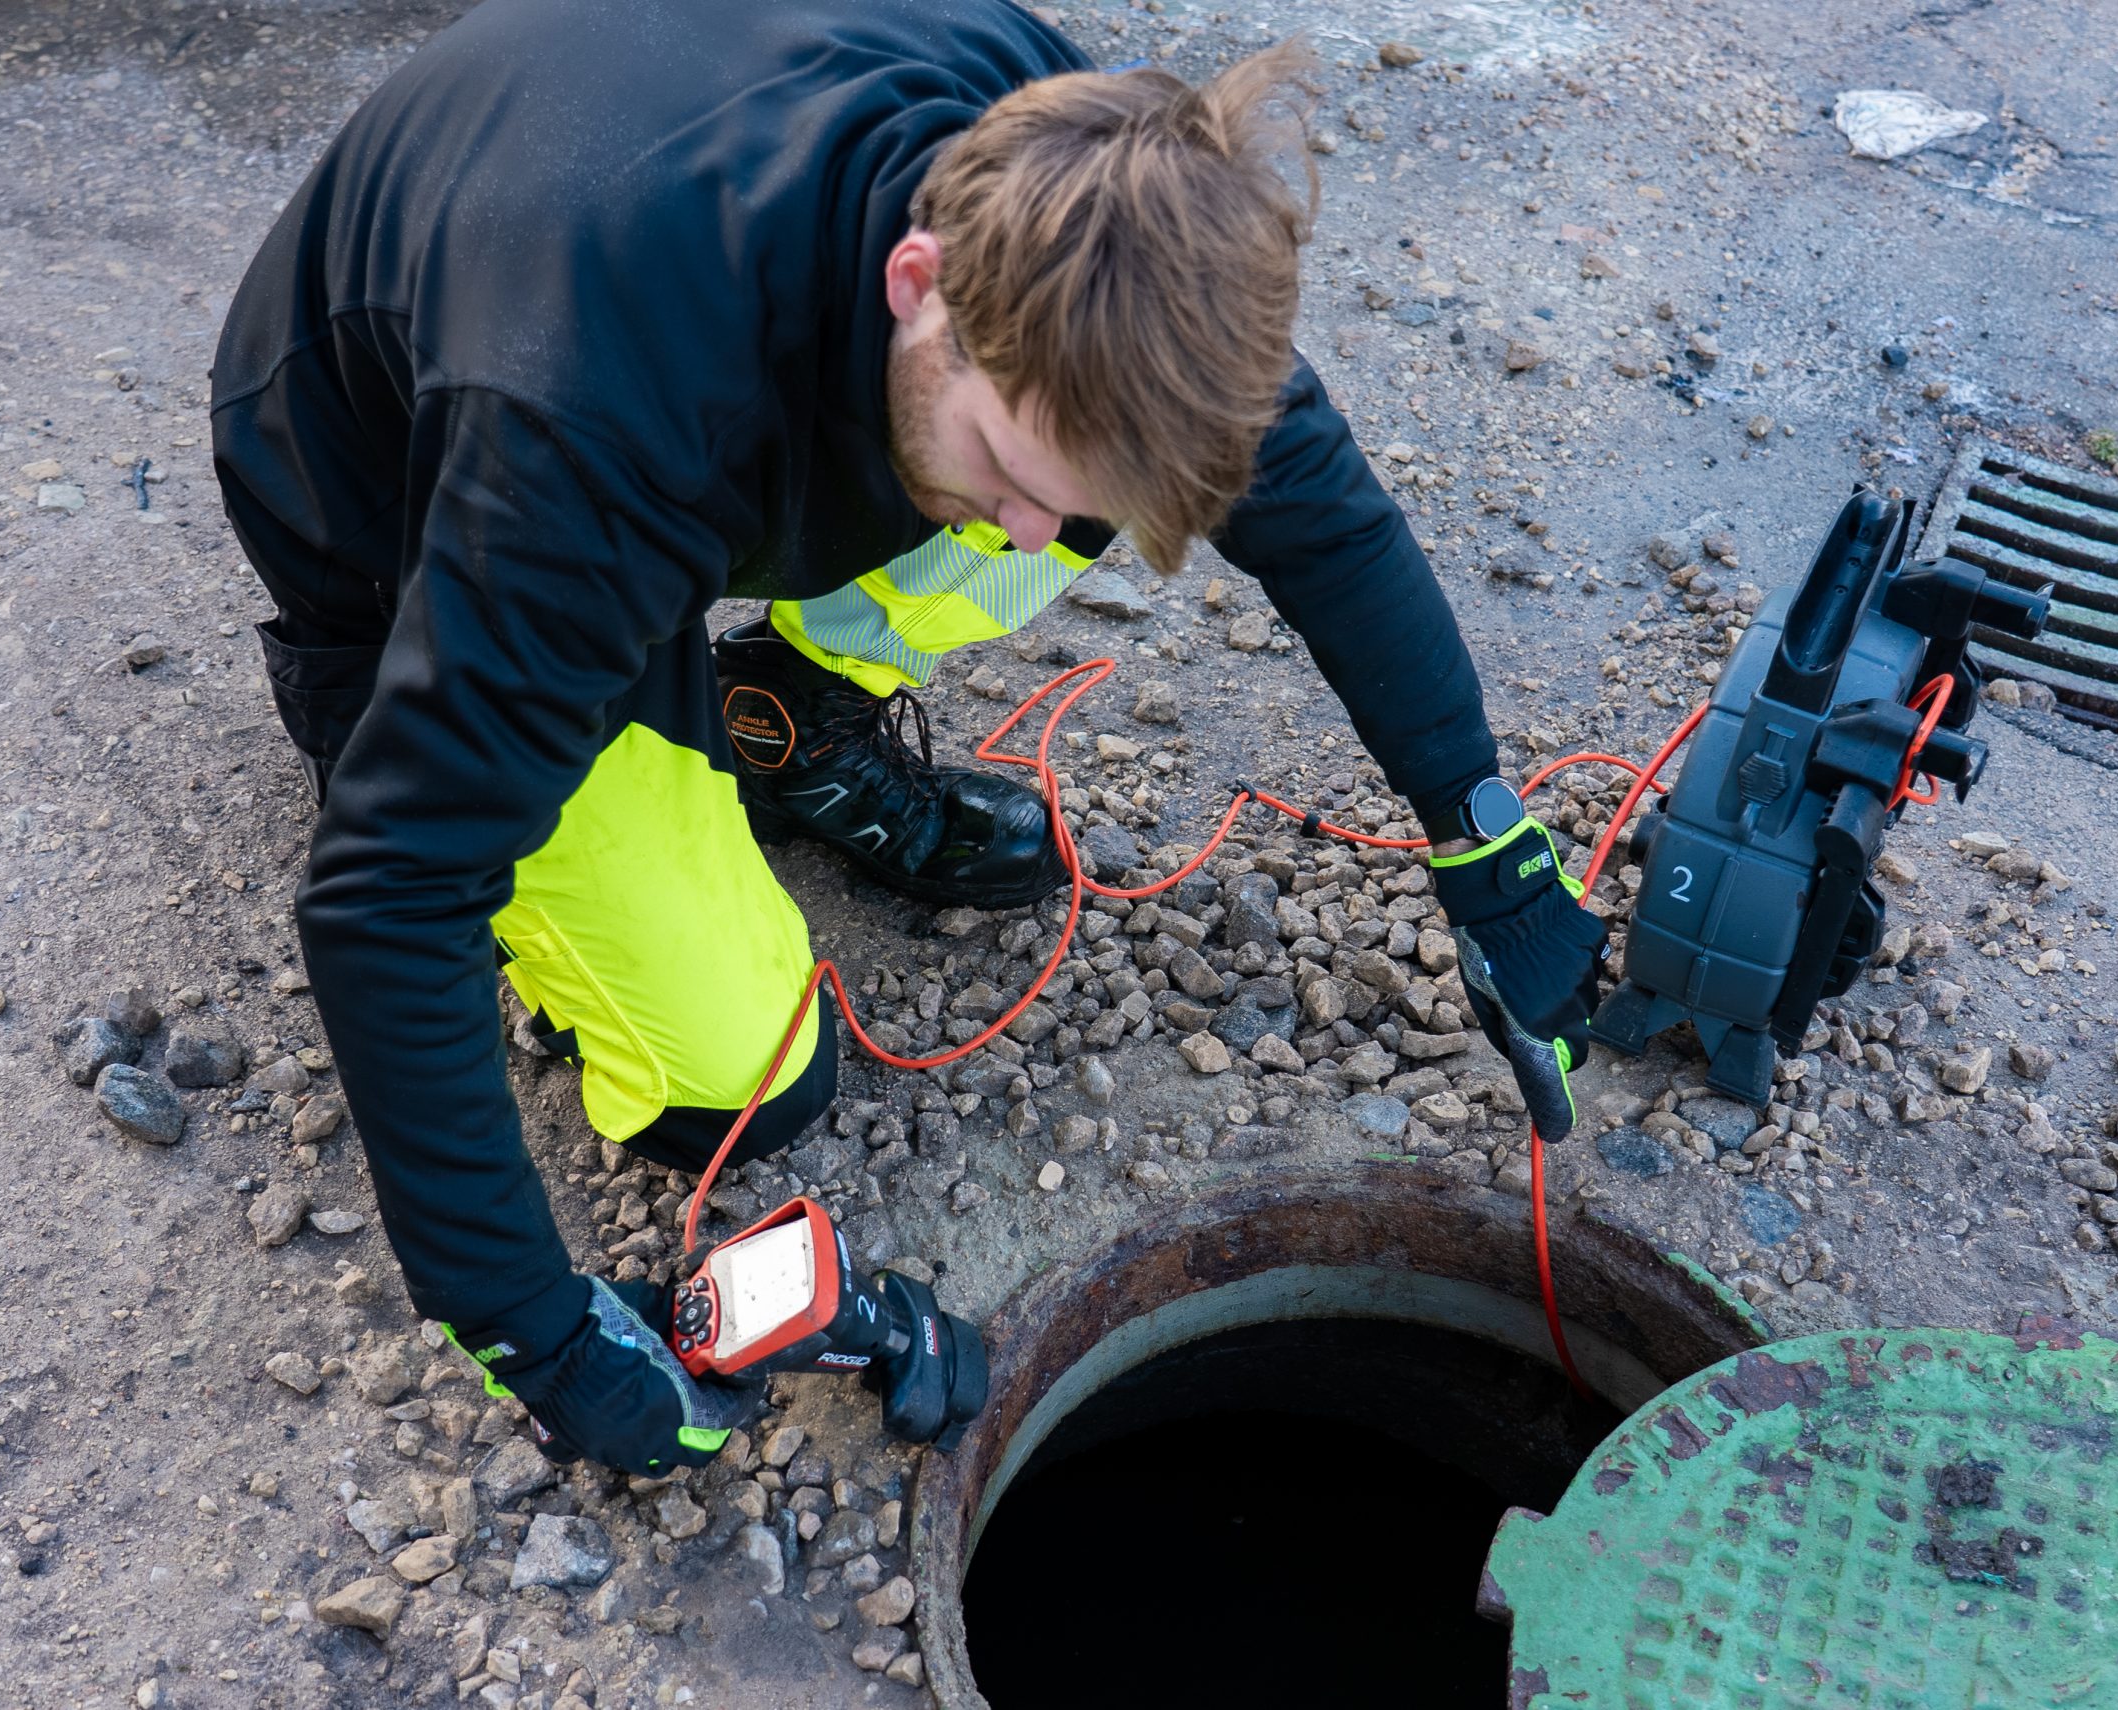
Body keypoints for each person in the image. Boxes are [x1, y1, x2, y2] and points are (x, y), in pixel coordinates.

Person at [210, 0, 1603, 1476]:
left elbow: (1311, 501)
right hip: (403, 507)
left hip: (658, 343)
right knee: (744, 1081)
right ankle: (497, 731)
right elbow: (389, 894)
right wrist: (529, 1332)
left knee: (1091, 490)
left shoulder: (1081, 186)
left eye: (1050, 498)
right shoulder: (599, 439)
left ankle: (786, 710)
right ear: (917, 277)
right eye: (1009, 467)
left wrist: (1480, 827)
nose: (1028, 545)